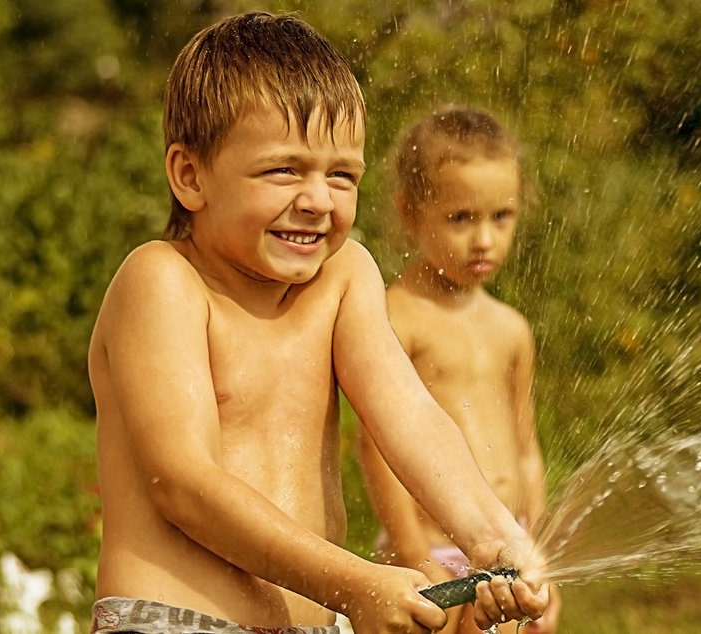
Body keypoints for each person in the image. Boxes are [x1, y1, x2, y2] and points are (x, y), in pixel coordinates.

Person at [87, 13, 548, 634]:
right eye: (283, 170)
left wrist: (492, 538)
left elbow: (408, 414)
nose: (318, 200)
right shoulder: (163, 282)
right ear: (190, 176)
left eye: (341, 175)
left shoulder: (343, 275)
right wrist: (357, 583)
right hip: (178, 620)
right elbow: (183, 483)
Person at [357, 107, 560, 634]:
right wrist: (414, 554)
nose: (485, 239)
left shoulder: (511, 328)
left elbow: (526, 448)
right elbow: (376, 447)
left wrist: (538, 555)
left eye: (501, 217)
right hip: (429, 551)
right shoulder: (393, 318)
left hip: (506, 549)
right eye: (461, 218)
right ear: (409, 211)